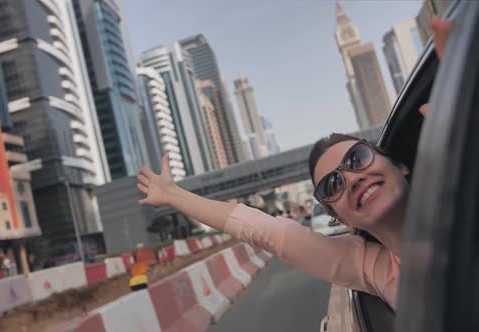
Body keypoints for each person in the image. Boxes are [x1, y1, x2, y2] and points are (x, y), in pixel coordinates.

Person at [135, 17, 451, 310]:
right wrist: (174, 195)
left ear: (401, 165)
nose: (352, 178)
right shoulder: (371, 268)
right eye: (332, 185)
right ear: (343, 221)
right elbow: (263, 230)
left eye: (357, 158)